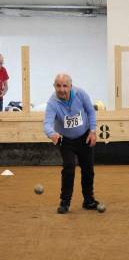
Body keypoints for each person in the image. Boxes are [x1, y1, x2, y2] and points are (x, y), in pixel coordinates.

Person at [44, 73, 101, 214]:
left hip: (84, 137)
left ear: (70, 86)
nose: (61, 89)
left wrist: (92, 131)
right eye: (58, 86)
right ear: (54, 86)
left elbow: (91, 112)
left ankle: (88, 200)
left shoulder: (80, 94)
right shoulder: (52, 103)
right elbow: (47, 123)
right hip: (65, 140)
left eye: (65, 86)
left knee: (88, 169)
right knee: (69, 167)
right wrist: (52, 133)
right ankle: (65, 202)